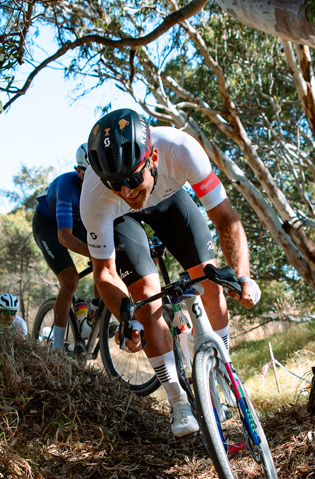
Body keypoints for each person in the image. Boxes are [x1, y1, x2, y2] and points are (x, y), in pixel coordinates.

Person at [82, 109, 260, 437]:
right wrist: (126, 319)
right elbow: (104, 273)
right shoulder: (95, 198)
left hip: (169, 199)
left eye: (132, 179)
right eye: (115, 185)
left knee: (209, 279)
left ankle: (222, 366)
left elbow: (226, 219)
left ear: (153, 158)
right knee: (146, 303)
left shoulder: (181, 149)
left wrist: (242, 275)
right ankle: (178, 400)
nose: (126, 192)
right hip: (122, 221)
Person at [31, 144, 91, 351]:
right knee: (70, 280)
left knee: (107, 262)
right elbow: (64, 237)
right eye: (89, 175)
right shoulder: (67, 185)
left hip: (77, 221)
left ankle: (92, 318)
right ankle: (57, 347)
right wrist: (94, 252)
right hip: (48, 225)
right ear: (79, 171)